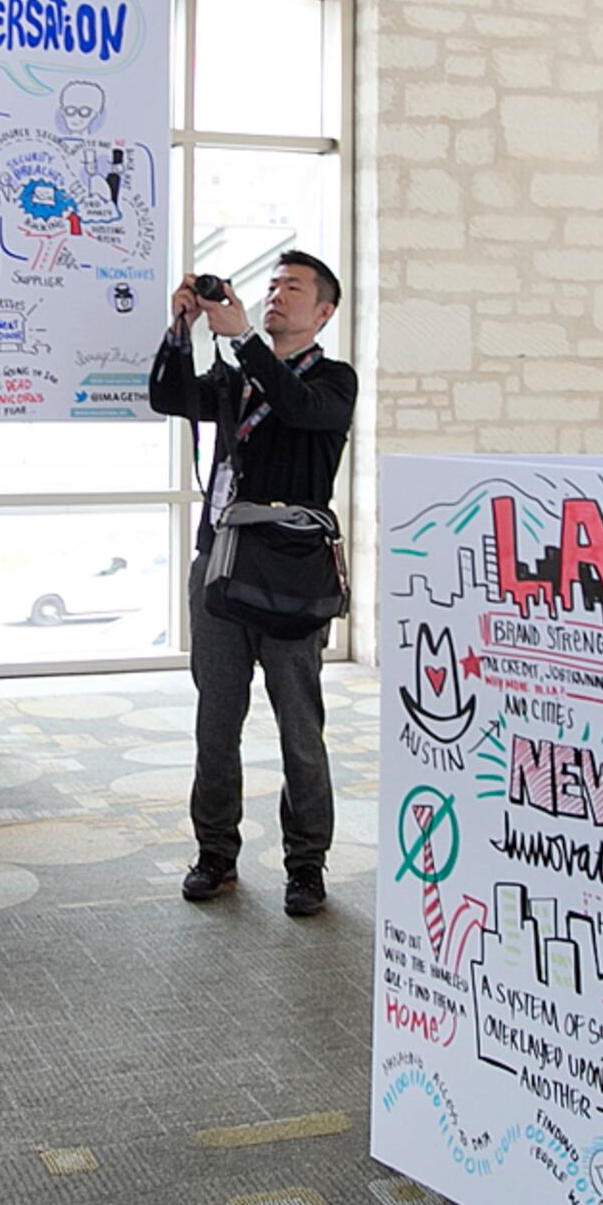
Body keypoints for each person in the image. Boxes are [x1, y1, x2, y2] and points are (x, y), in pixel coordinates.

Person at [152, 250, 356, 915]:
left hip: (291, 577)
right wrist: (183, 330)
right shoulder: (238, 376)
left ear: (323, 310)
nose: (275, 295)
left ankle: (306, 862)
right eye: (270, 285)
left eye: (292, 287)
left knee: (299, 724)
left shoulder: (334, 380)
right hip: (222, 564)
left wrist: (240, 338)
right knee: (216, 720)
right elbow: (169, 397)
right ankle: (215, 852)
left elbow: (296, 408)